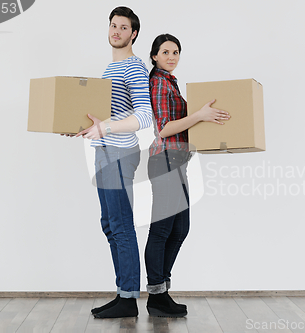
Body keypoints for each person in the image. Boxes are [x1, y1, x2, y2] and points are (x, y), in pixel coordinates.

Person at [75, 6, 153, 318]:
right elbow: (108, 114)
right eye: (113, 26)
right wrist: (84, 127)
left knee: (120, 223)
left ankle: (129, 298)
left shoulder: (133, 67)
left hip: (120, 152)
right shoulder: (109, 70)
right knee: (109, 223)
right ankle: (124, 292)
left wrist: (105, 128)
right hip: (104, 151)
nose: (116, 31)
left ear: (133, 34)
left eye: (123, 27)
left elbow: (144, 116)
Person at [144, 34, 230, 317]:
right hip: (164, 160)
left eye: (176, 52)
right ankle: (156, 296)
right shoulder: (157, 82)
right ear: (154, 55)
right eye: (165, 51)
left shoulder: (171, 82)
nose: (171, 56)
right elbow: (164, 128)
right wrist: (200, 116)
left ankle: (161, 291)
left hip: (178, 161)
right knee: (162, 230)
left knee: (180, 229)